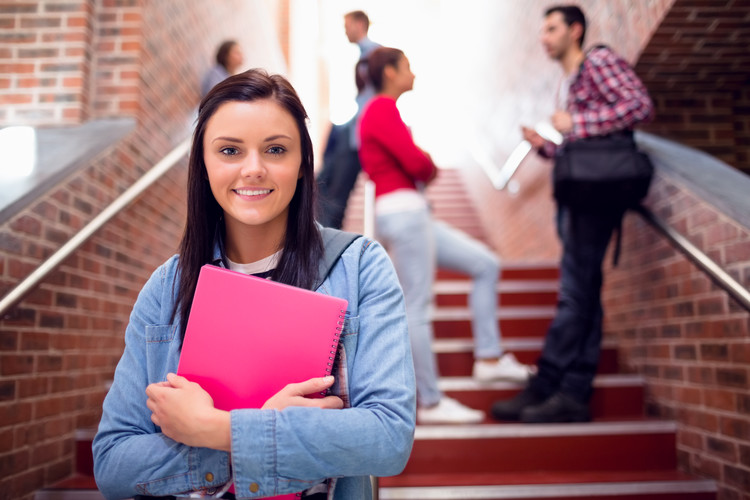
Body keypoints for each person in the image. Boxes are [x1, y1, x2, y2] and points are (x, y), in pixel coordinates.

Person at [93, 69, 416, 499]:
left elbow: (388, 438)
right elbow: (113, 463)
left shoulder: (359, 267)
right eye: (229, 150)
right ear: (203, 163)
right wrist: (240, 442)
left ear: (302, 164)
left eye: (276, 150)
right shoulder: (166, 288)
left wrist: (219, 429)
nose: (253, 169)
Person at [491, 5, 654, 424]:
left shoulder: (597, 61)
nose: (544, 37)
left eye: (551, 28)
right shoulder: (568, 80)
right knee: (585, 294)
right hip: (577, 193)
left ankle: (546, 385)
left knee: (574, 295)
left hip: (595, 198)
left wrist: (574, 121)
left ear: (575, 30)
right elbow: (579, 146)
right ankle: (574, 393)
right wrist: (546, 144)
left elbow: (639, 105)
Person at [358, 47, 534, 425]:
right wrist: (425, 162)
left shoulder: (384, 111)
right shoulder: (380, 108)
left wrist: (423, 165)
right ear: (389, 72)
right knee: (417, 306)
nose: (413, 73)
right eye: (407, 66)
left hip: (414, 213)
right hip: (404, 212)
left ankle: (488, 358)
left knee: (485, 264)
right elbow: (418, 164)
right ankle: (432, 402)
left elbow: (418, 165)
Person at [316, 11, 381, 229]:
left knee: (335, 197)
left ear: (360, 23)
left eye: (347, 25)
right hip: (351, 129)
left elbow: (374, 100)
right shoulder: (364, 54)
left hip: (358, 137)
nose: (345, 30)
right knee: (321, 184)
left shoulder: (375, 54)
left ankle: (329, 241)